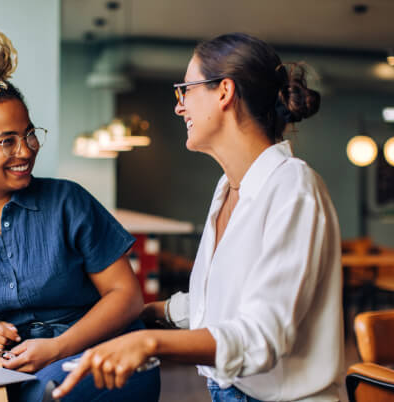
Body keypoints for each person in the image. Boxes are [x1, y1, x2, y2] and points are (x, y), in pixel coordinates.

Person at [54, 32, 344, 402]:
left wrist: (150, 342)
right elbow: (224, 299)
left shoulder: (293, 186)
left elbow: (262, 335)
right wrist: (147, 314)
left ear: (224, 92)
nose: (179, 107)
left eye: (185, 90)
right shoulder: (228, 186)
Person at [0, 25, 160, 402]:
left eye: (29, 134)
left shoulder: (69, 201)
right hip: (15, 365)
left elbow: (126, 296)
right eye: (8, 141)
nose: (27, 150)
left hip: (107, 353)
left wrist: (58, 347)